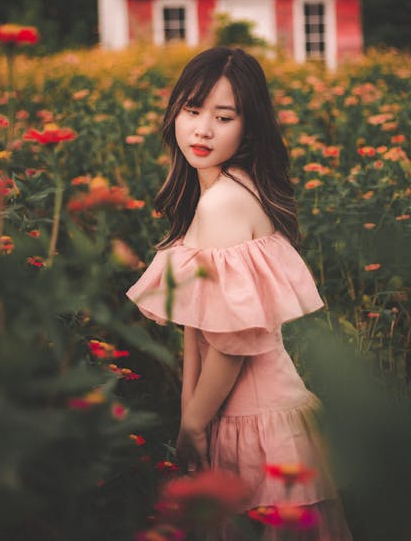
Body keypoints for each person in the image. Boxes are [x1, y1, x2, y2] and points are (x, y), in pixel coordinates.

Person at [126, 47, 353, 540]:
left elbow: (232, 340)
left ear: (248, 128)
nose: (202, 129)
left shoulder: (224, 202)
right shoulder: (235, 188)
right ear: (174, 114)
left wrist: (192, 424)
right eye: (192, 110)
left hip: (247, 416)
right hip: (261, 411)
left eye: (222, 116)